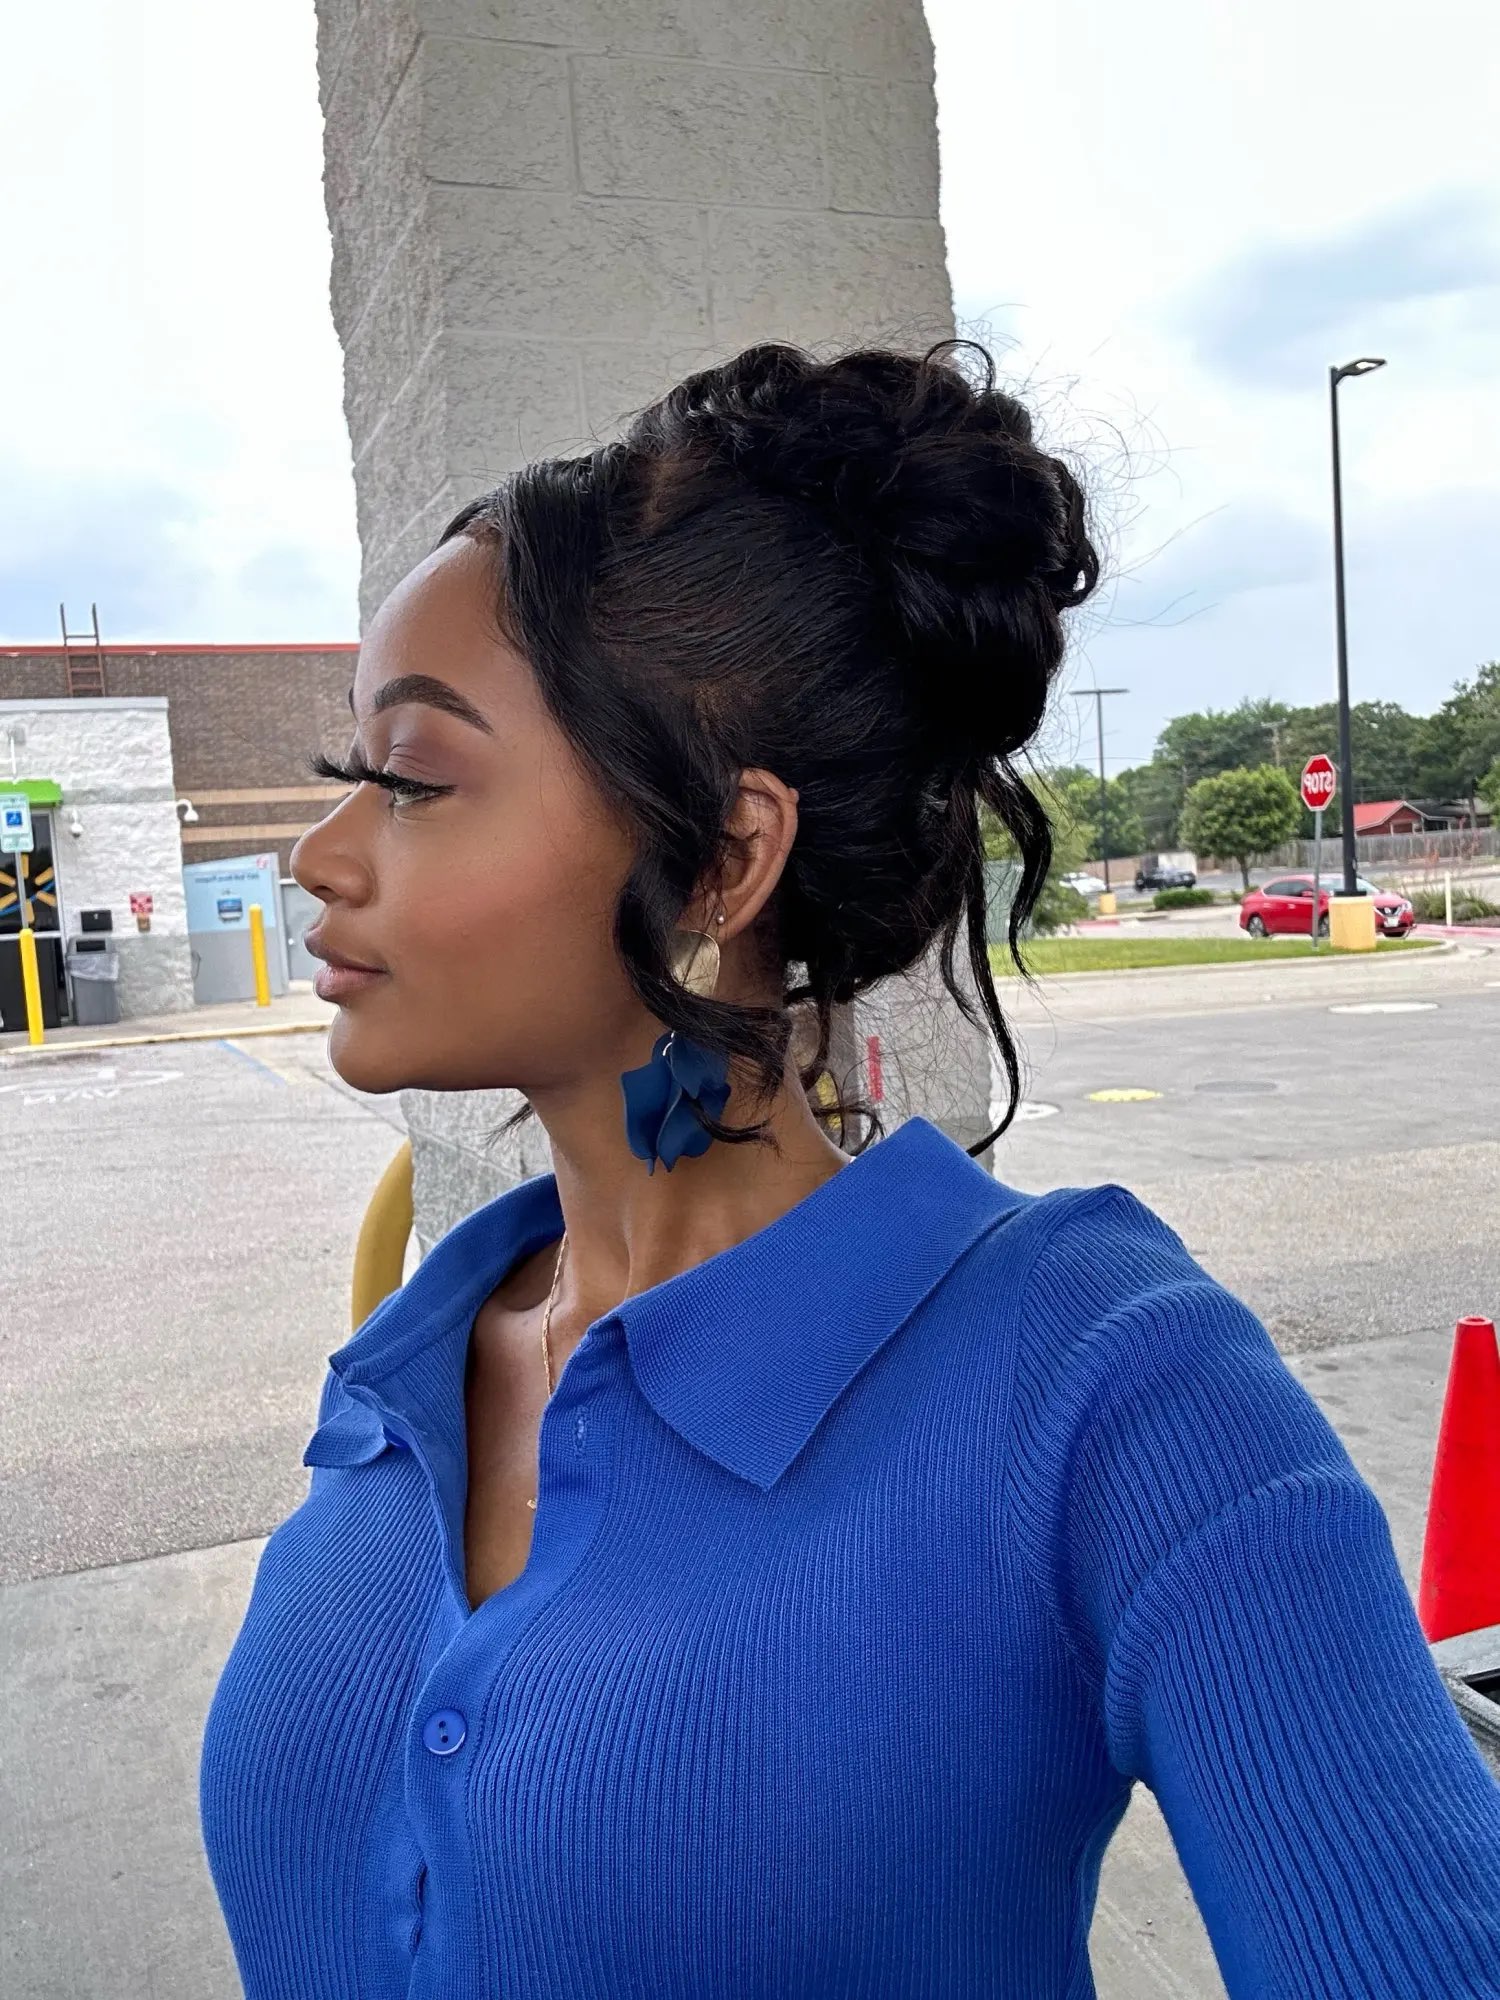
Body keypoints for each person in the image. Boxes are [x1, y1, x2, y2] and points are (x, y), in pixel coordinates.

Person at [198, 340, 1500, 1998]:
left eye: (411, 779)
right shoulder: (404, 1368)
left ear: (723, 859)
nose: (318, 855)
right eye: (350, 776)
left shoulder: (1105, 1387)